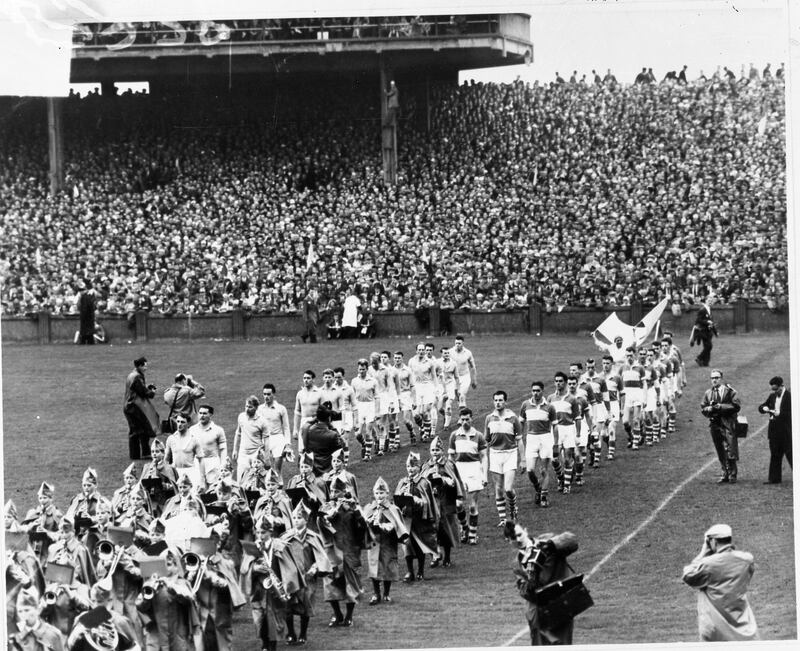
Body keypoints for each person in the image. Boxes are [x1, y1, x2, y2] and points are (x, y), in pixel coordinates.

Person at [681, 523, 759, 641]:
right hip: (744, 629)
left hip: (716, 631)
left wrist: (703, 553)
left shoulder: (708, 564)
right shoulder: (747, 559)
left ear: (713, 542)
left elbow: (688, 576)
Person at [506, 522, 580, 645]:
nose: (518, 539)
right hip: (539, 616)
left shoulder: (546, 540)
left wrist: (552, 544)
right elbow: (524, 591)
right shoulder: (517, 564)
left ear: (525, 531)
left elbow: (573, 541)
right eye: (513, 538)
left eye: (519, 534)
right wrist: (531, 582)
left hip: (561, 607)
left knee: (563, 645)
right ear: (509, 541)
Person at [362, 476, 408, 605]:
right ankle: (376, 594)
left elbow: (398, 525)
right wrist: (368, 522)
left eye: (382, 493)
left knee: (388, 566)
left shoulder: (393, 509)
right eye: (377, 493)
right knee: (374, 567)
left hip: (388, 542)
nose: (379, 495)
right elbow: (362, 522)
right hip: (374, 541)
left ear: (387, 493)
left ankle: (386, 593)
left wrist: (388, 526)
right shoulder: (369, 508)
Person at [447, 406, 488, 545]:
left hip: (474, 468)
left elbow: (484, 457)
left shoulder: (479, 436)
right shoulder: (454, 435)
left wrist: (484, 475)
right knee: (458, 505)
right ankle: (464, 527)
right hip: (459, 470)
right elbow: (451, 457)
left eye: (467, 419)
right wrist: (451, 475)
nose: (465, 422)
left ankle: (472, 534)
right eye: (462, 419)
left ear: (472, 419)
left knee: (472, 505)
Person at [486, 390, 522, 524]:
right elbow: (487, 439)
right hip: (495, 454)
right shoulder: (489, 418)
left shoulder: (513, 418)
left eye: (500, 400)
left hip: (510, 454)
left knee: (508, 488)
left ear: (505, 402)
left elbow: (519, 440)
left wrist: (523, 459)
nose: (498, 403)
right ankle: (503, 519)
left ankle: (513, 508)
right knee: (498, 488)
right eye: (495, 400)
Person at [700, 370, 742, 483]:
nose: (714, 380)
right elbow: (703, 407)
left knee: (730, 449)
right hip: (715, 424)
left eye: (717, 377)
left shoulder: (730, 391)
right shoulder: (708, 393)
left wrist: (720, 407)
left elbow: (736, 406)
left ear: (721, 378)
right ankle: (725, 473)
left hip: (728, 423)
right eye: (712, 378)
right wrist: (708, 410)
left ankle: (733, 474)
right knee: (720, 449)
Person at [520, 382, 557, 508]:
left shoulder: (549, 407)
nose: (535, 393)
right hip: (531, 439)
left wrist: (555, 443)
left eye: (538, 390)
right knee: (530, 470)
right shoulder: (525, 405)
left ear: (542, 391)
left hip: (545, 438)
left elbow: (555, 426)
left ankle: (544, 497)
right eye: (533, 390)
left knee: (543, 470)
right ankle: (538, 488)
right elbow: (521, 422)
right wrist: (520, 437)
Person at [757, 376, 793, 484]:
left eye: (776, 389)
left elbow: (791, 413)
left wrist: (780, 414)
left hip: (786, 431)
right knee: (775, 454)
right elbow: (762, 406)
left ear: (782, 386)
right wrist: (763, 408)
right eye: (773, 389)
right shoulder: (772, 396)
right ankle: (774, 478)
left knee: (791, 455)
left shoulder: (789, 396)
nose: (775, 391)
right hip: (774, 431)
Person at [124, 357, 160, 460]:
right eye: (144, 365)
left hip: (129, 406)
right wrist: (152, 392)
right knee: (142, 430)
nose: (146, 367)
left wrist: (146, 388)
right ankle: (145, 453)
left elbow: (137, 389)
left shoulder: (132, 375)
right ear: (139, 366)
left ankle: (135, 455)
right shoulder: (137, 377)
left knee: (134, 430)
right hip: (135, 407)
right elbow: (143, 392)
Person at [257, 383, 293, 478]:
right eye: (264, 394)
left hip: (278, 439)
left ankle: (279, 490)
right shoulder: (259, 409)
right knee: (264, 469)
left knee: (277, 470)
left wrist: (287, 444)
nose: (266, 397)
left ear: (274, 395)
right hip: (265, 440)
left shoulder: (281, 409)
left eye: (269, 394)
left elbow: (286, 427)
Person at [188, 404, 228, 486]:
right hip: (197, 463)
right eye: (200, 413)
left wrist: (223, 464)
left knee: (213, 489)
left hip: (212, 462)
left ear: (210, 415)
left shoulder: (218, 430)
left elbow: (223, 449)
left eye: (204, 413)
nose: (202, 416)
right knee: (198, 488)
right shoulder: (192, 430)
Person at [232, 395, 269, 480]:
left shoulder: (262, 421)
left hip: (256, 454)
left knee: (256, 481)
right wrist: (235, 449)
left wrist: (267, 458)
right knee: (241, 480)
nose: (247, 409)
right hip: (243, 453)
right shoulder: (241, 417)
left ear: (256, 408)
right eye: (246, 406)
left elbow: (266, 440)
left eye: (250, 407)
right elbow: (238, 433)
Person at [301, 406, 345, 476]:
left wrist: (315, 419)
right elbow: (342, 446)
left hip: (313, 471)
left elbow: (306, 425)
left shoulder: (306, 430)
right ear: (329, 418)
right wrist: (331, 426)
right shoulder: (333, 434)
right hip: (328, 472)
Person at [450, 335, 477, 408]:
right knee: (457, 395)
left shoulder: (468, 353)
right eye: (456, 343)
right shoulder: (450, 352)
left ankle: (463, 410)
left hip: (465, 376)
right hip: (454, 377)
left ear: (463, 343)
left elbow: (473, 367)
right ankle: (461, 407)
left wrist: (474, 380)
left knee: (462, 394)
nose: (457, 345)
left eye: (459, 343)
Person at [691, 295, 718, 367]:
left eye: (711, 301)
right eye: (709, 300)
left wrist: (715, 332)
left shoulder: (709, 309)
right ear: (705, 301)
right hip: (702, 331)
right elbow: (698, 320)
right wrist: (707, 322)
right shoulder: (702, 309)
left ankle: (705, 362)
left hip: (708, 331)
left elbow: (711, 321)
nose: (710, 302)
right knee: (709, 346)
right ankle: (699, 357)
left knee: (707, 346)